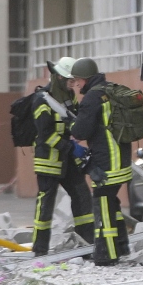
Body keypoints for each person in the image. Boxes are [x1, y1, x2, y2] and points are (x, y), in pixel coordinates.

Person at [67, 58, 131, 266]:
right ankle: (122, 245)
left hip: (107, 163)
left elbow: (81, 131)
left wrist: (72, 124)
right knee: (112, 203)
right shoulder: (109, 91)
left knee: (102, 204)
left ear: (85, 79)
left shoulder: (92, 98)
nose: (76, 85)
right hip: (122, 160)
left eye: (77, 80)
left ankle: (107, 255)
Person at [31, 57, 94, 256]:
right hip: (48, 161)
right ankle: (39, 250)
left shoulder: (69, 97)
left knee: (82, 196)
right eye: (69, 80)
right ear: (58, 77)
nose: (72, 84)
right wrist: (71, 148)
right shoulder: (42, 100)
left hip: (67, 160)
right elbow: (46, 135)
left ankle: (87, 244)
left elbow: (73, 122)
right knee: (46, 204)